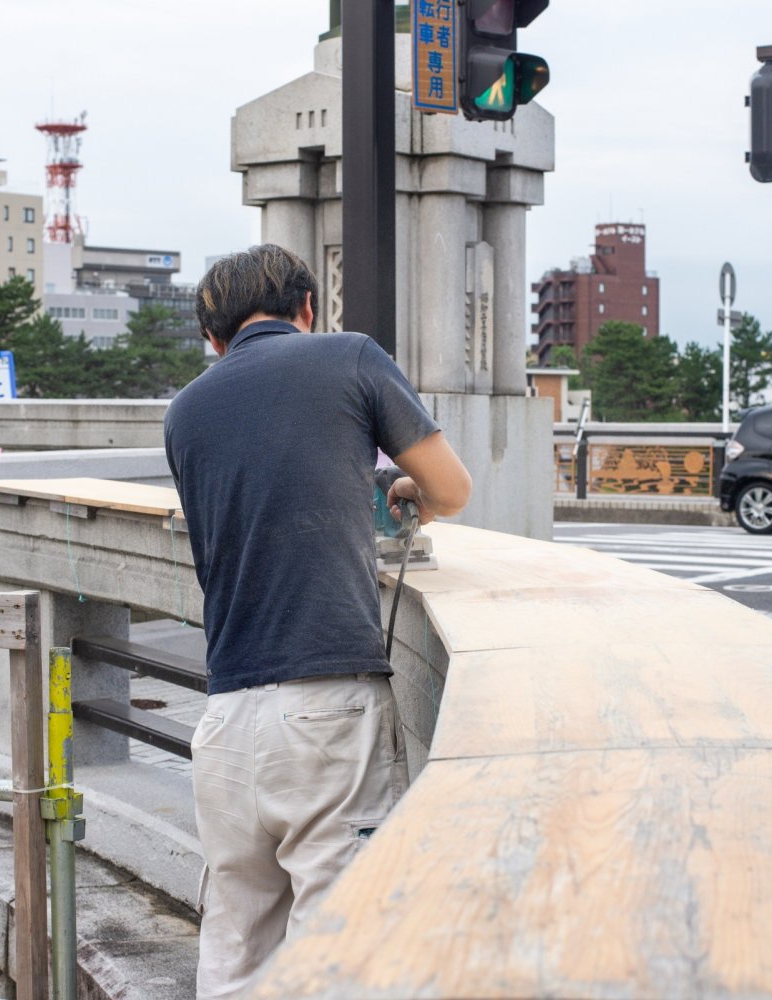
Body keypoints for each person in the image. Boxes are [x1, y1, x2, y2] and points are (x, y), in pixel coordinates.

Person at [164, 244, 471, 999]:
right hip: (327, 706)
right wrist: (407, 489)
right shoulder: (351, 358)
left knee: (235, 945)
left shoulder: (185, 411)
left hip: (226, 719)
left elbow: (266, 479)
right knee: (336, 951)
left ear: (214, 338)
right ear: (307, 309)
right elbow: (452, 489)